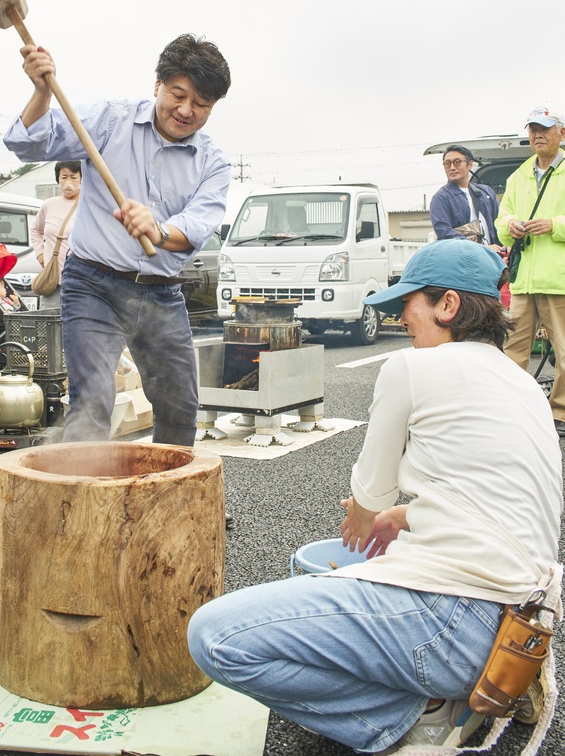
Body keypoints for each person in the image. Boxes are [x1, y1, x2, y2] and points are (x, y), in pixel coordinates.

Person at [188, 239, 562, 754]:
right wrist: (403, 516)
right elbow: (494, 497)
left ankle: (413, 716)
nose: (401, 320)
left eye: (410, 305)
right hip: (518, 626)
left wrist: (366, 518)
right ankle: (467, 690)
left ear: (448, 305)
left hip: (452, 624)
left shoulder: (414, 368)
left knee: (214, 636)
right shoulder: (522, 385)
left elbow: (367, 494)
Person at [3, 33, 231, 447]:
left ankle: (167, 504)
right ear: (157, 85)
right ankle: (79, 505)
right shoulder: (112, 120)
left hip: (161, 294)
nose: (186, 110)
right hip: (93, 284)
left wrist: (158, 230)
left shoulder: (213, 163)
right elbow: (27, 142)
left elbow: (195, 227)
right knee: (92, 403)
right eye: (178, 94)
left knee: (180, 408)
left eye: (201, 104)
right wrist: (40, 92)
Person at [495, 104, 565, 437]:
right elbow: (501, 220)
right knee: (512, 349)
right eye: (533, 129)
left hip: (559, 279)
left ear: (560, 133)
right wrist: (511, 225)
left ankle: (559, 413)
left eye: (545, 129)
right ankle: (512, 407)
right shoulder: (518, 175)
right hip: (524, 281)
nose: (538, 134)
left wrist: (553, 225)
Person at [31, 161, 82, 309]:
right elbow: (35, 230)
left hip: (79, 281)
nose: (68, 182)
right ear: (58, 179)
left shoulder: (87, 205)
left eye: (73, 177)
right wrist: (40, 254)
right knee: (48, 325)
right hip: (53, 280)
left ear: (81, 179)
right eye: (64, 177)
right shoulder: (49, 204)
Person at [429, 144, 501, 248]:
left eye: (457, 162)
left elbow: (501, 221)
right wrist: (481, 248)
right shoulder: (441, 198)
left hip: (492, 258)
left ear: (470, 164)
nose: (452, 168)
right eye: (447, 164)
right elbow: (445, 233)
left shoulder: (486, 192)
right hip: (463, 260)